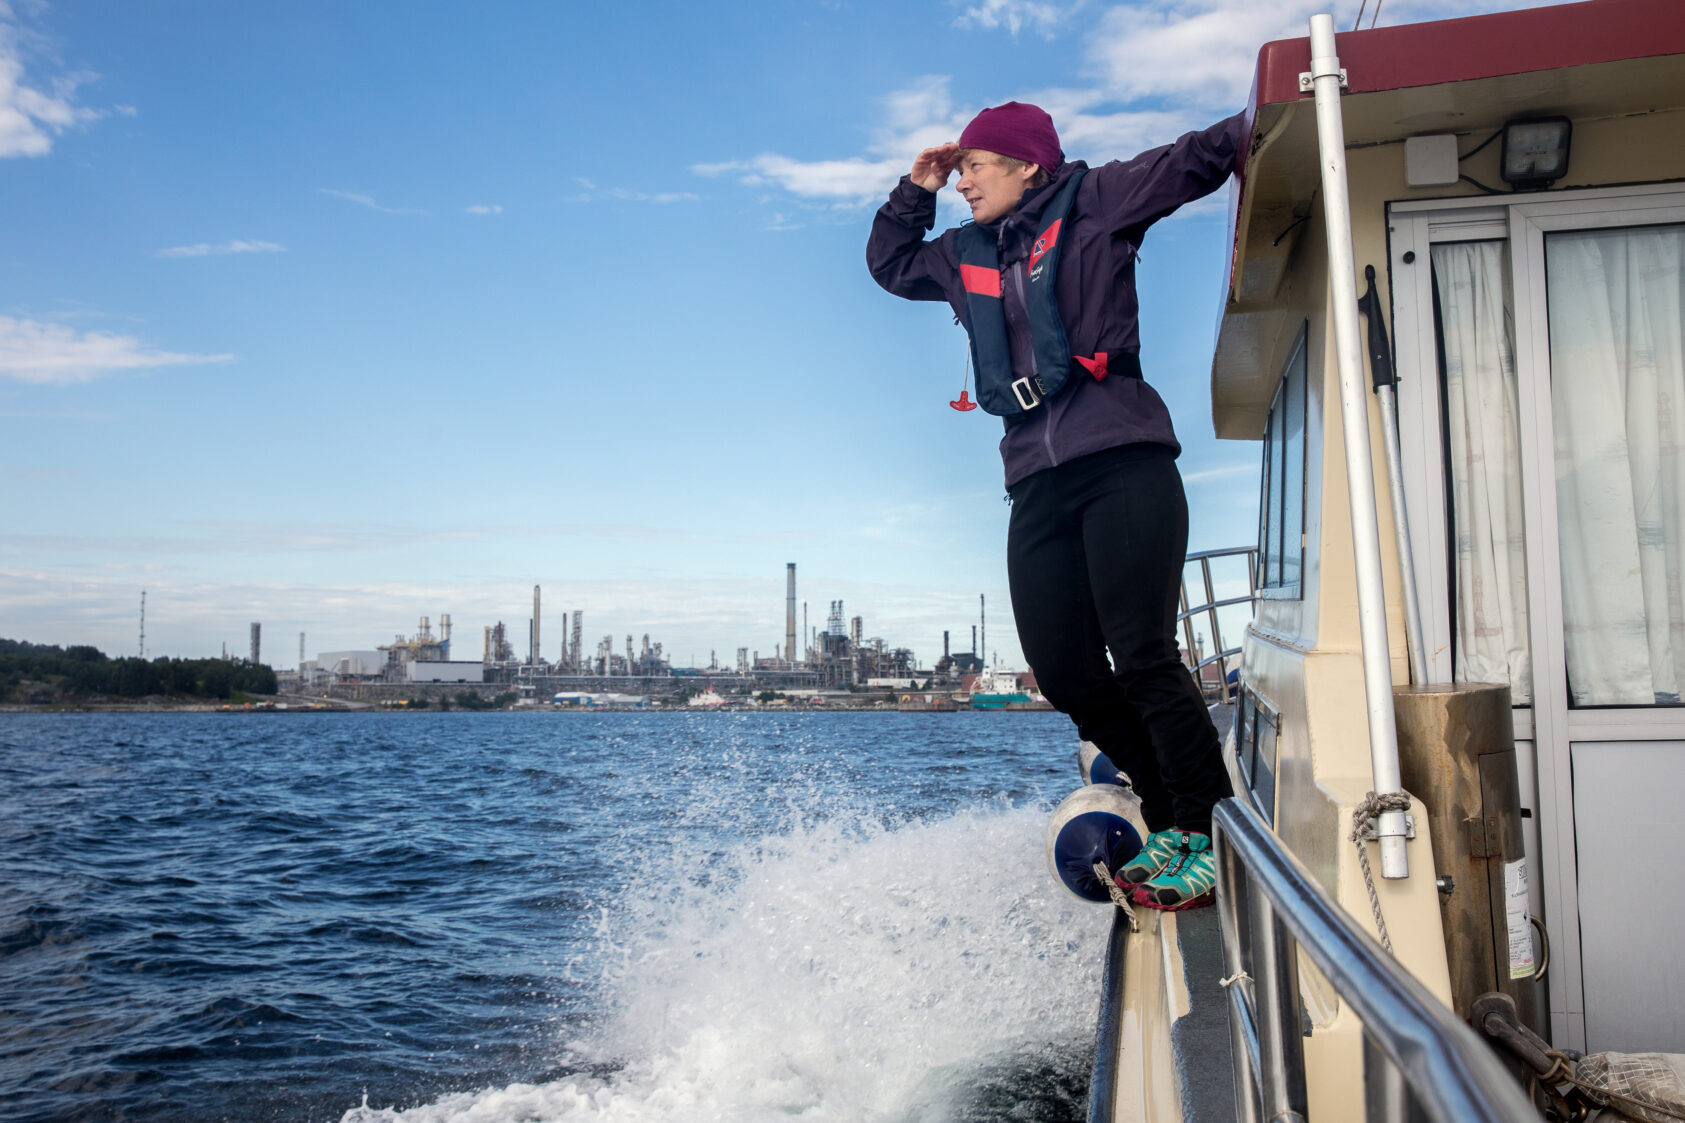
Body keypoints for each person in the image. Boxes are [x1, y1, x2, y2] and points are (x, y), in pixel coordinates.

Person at [866, 101, 1246, 910]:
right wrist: (915, 186)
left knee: (1140, 651)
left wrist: (1285, 103)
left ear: (1027, 164)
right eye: (958, 168)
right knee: (1066, 668)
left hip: (1123, 460)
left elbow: (1198, 156)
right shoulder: (958, 254)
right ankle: (1169, 806)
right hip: (1033, 480)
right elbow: (888, 263)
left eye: (974, 165)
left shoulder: (1099, 201)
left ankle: (1203, 830)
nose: (962, 180)